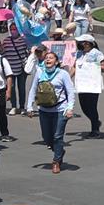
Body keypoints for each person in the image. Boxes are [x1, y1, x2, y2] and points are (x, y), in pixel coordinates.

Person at [31, 45, 75, 173]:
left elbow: (70, 92)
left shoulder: (63, 74)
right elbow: (33, 89)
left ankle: (56, 161)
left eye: (51, 58)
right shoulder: (40, 72)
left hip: (60, 109)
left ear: (56, 62)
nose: (48, 59)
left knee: (57, 136)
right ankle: (59, 150)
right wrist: (29, 107)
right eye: (46, 58)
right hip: (44, 109)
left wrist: (70, 108)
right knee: (47, 138)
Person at [72, 34, 104, 138]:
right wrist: (67, 78)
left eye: (81, 42)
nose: (79, 44)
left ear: (87, 43)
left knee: (92, 107)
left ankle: (95, 130)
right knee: (84, 107)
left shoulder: (96, 53)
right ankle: (95, 121)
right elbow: (74, 67)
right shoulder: (79, 53)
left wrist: (92, 66)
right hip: (82, 84)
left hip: (93, 85)